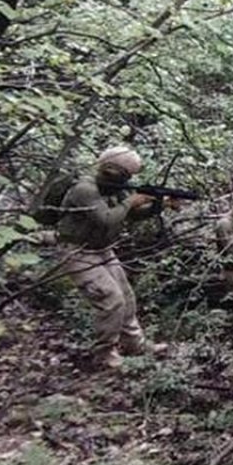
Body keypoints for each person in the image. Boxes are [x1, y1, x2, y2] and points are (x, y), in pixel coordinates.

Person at [55, 146, 168, 369]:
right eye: (123, 174)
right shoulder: (85, 189)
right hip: (78, 251)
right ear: (110, 170)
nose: (125, 179)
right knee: (111, 299)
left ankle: (135, 344)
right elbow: (105, 219)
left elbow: (133, 215)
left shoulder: (115, 190)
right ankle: (105, 353)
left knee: (126, 296)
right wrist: (130, 201)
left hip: (103, 249)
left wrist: (160, 204)